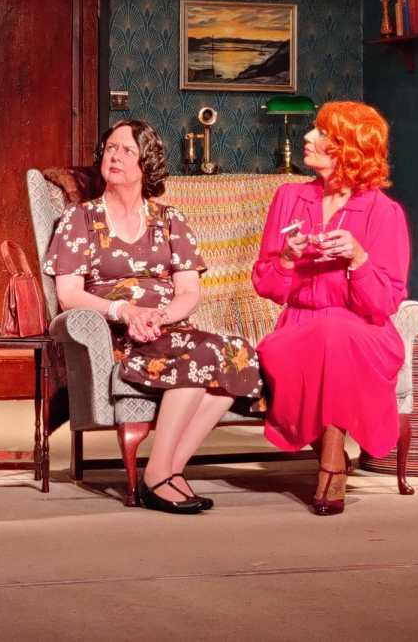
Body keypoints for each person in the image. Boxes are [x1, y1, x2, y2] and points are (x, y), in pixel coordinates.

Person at [43, 119, 262, 514]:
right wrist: (125, 311)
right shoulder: (80, 219)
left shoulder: (170, 219)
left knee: (238, 352)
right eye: (111, 148)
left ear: (147, 163)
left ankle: (168, 470)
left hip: (167, 329)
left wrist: (160, 317)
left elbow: (189, 291)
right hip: (120, 336)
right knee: (197, 359)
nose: (115, 156)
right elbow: (69, 294)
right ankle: (159, 476)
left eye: (127, 150)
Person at [252, 101, 410, 516]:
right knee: (321, 340)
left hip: (364, 330)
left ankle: (330, 465)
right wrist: (287, 258)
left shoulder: (383, 212)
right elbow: (266, 284)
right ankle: (334, 458)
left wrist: (358, 258)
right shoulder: (289, 198)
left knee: (335, 337)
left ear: (350, 148)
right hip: (299, 325)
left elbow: (384, 303)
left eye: (322, 134)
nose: (308, 137)